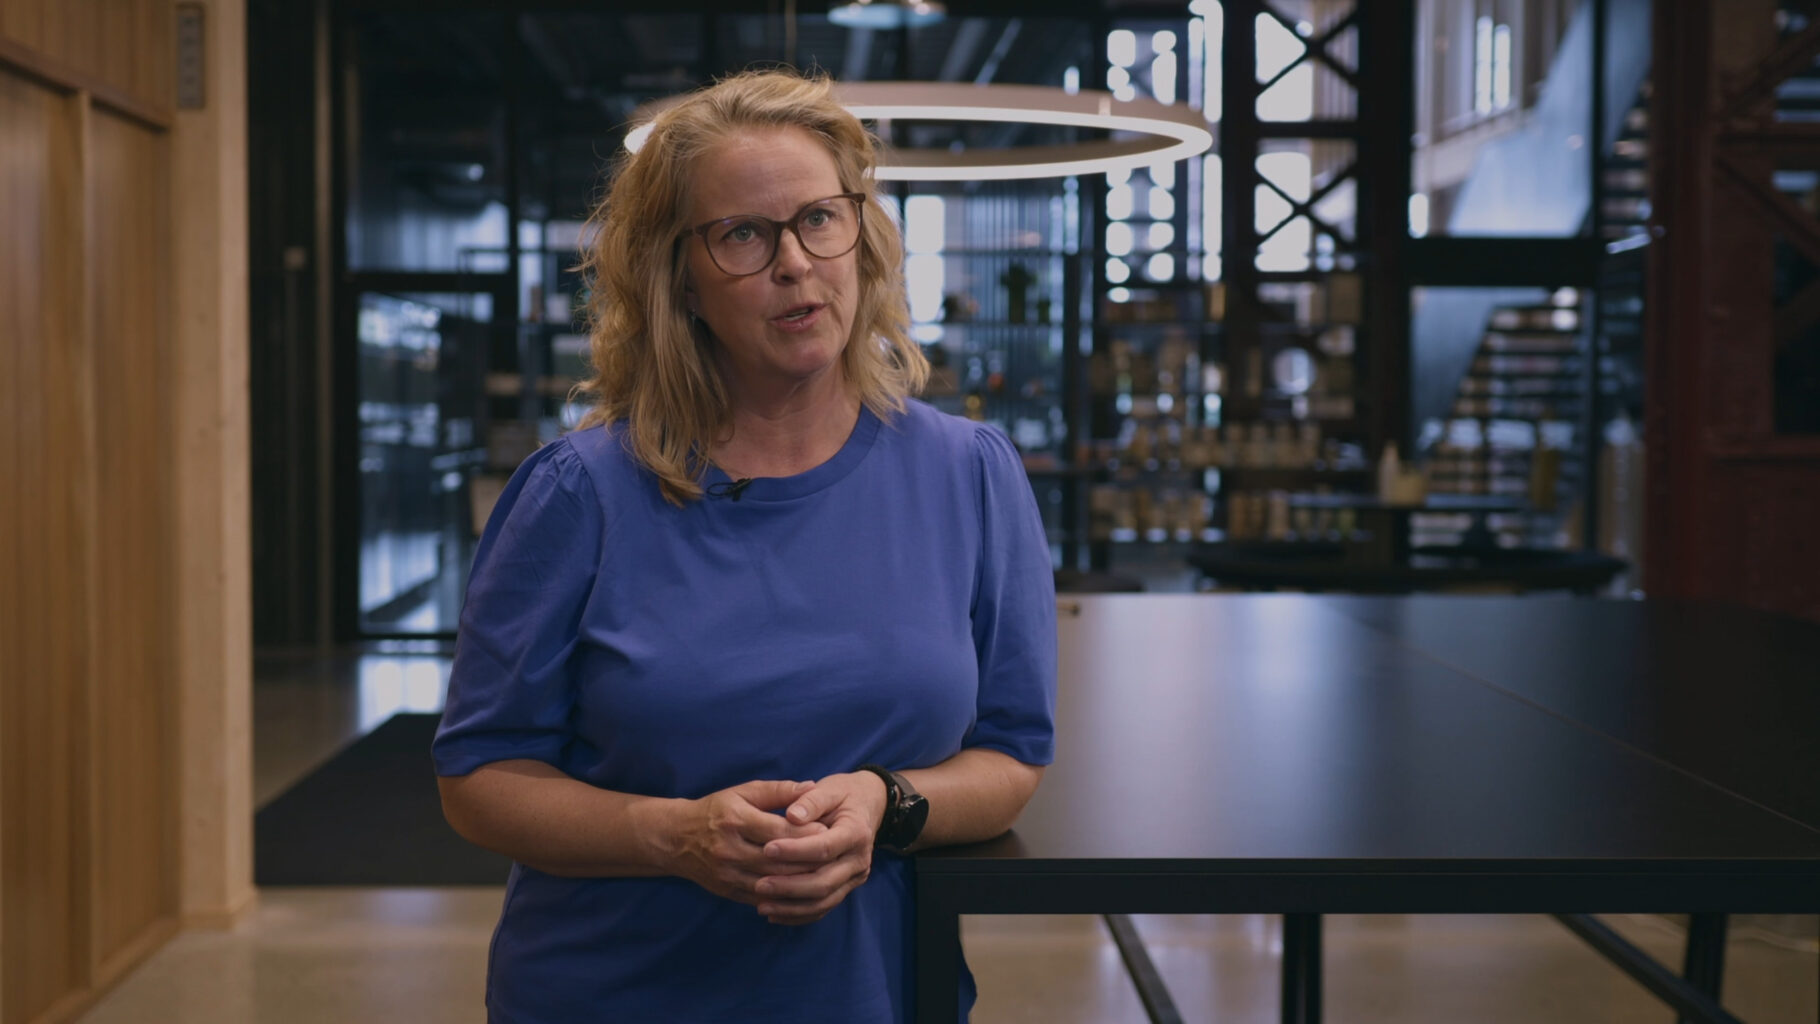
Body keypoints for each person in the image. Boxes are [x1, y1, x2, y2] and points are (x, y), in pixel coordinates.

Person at [432, 69, 1058, 1024]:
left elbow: (1010, 759)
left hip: (873, 995)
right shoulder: (580, 492)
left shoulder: (969, 473)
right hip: (613, 993)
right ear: (679, 274)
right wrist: (673, 835)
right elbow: (479, 781)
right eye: (742, 236)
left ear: (864, 233)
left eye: (819, 218)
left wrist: (883, 803)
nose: (795, 263)